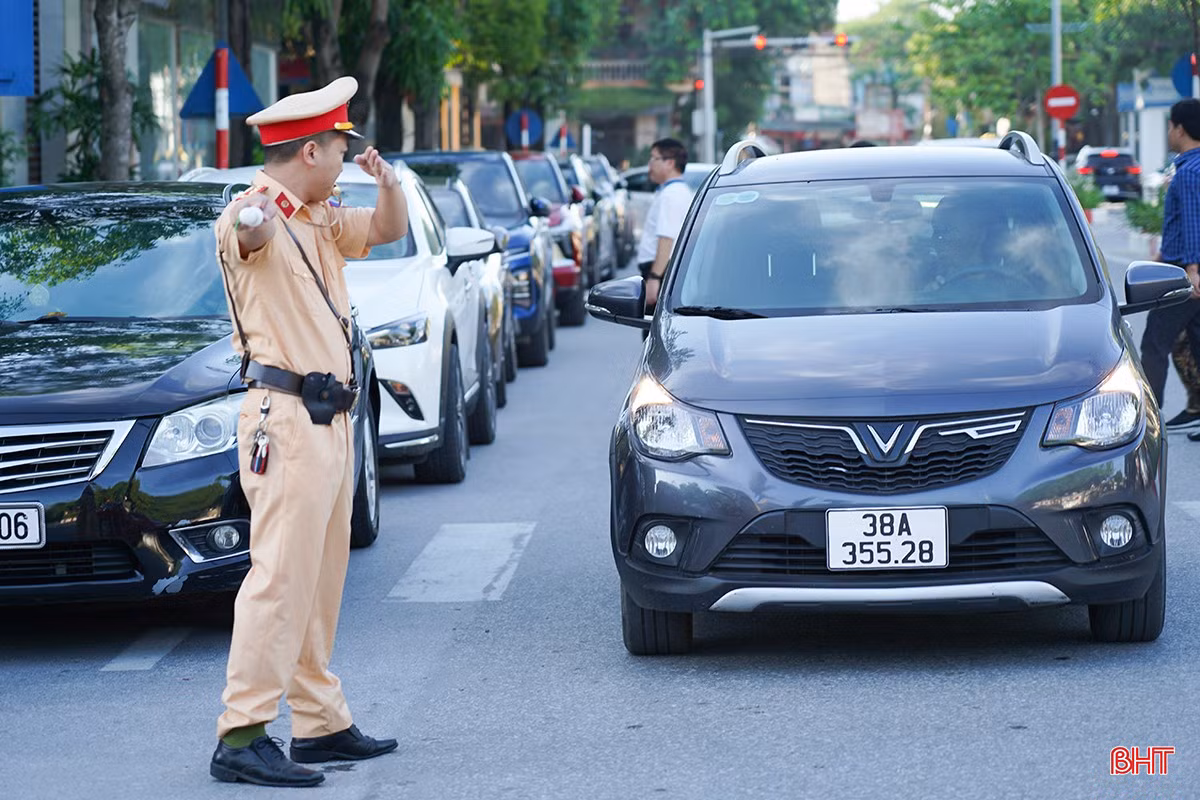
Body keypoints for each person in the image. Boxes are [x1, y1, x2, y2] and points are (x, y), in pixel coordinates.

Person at [208, 76, 408, 788]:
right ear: (313, 149)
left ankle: (319, 722)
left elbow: (388, 231)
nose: (347, 159)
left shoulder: (320, 216)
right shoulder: (253, 211)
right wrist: (257, 221)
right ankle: (243, 732)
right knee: (280, 579)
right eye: (342, 149)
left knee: (321, 581)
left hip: (330, 417)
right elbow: (246, 236)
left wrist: (388, 183)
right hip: (285, 419)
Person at [1140, 97, 1200, 423]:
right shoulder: (1192, 167)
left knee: (1154, 343)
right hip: (1181, 265)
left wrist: (1191, 271)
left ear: (1179, 128)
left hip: (1187, 273)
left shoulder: (1189, 172)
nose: (1168, 132)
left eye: (1170, 126)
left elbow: (1193, 222)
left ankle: (1146, 420)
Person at [637, 138, 694, 310]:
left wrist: (654, 278)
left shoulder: (671, 195)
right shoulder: (677, 191)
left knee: (653, 331)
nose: (650, 164)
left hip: (662, 271)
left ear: (670, 163)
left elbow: (666, 239)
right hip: (665, 270)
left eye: (654, 158)